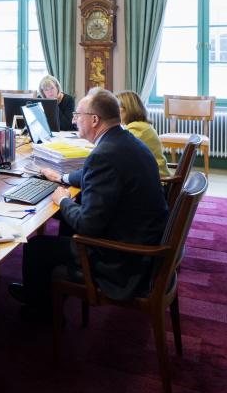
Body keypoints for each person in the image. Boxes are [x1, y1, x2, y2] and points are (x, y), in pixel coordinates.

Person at [9, 88, 169, 323]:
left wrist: (63, 199)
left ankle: (41, 312)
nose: (73, 120)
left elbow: (88, 225)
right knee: (69, 215)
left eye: (77, 115)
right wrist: (62, 178)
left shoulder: (103, 154)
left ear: (94, 120)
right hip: (142, 237)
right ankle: (43, 293)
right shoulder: (125, 140)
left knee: (37, 247)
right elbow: (94, 174)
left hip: (124, 261)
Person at [115, 90, 171, 178]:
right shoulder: (141, 125)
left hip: (157, 181)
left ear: (125, 109)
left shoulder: (136, 128)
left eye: (115, 108)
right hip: (155, 176)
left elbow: (117, 151)